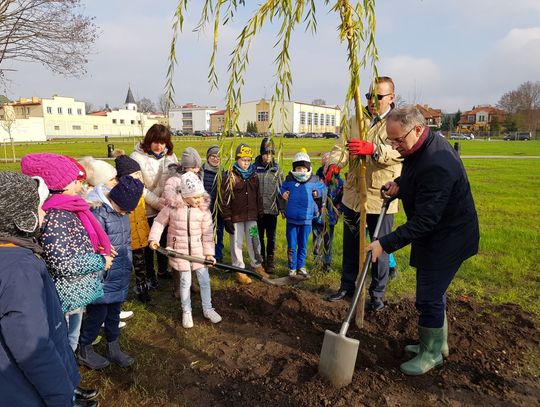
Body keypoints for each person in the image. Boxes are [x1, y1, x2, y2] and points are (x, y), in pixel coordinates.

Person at [367, 105, 479, 375]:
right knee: (434, 293)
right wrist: (400, 186)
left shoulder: (438, 162)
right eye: (391, 141)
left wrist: (384, 243)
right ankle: (438, 345)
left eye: (398, 140)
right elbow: (415, 174)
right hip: (439, 234)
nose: (395, 147)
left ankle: (432, 354)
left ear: (417, 129)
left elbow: (426, 221)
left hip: (448, 238)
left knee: (428, 297)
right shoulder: (423, 145)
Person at [0, 172, 98, 407]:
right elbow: (32, 347)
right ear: (22, 219)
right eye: (38, 207)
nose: (44, 213)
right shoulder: (20, 270)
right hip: (26, 392)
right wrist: (61, 397)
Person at [21, 153, 113, 356]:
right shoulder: (57, 216)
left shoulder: (68, 209)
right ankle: (67, 381)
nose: (80, 186)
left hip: (74, 288)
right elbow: (61, 263)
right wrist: (99, 260)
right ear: (59, 184)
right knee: (64, 339)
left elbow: (76, 242)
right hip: (66, 289)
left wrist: (98, 248)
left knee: (71, 334)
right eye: (75, 182)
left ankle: (70, 372)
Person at [327, 76, 402, 311]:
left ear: (391, 97)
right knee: (350, 245)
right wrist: (335, 163)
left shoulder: (398, 122)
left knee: (378, 249)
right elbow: (342, 147)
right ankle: (347, 286)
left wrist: (374, 150)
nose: (372, 101)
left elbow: (400, 151)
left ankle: (377, 294)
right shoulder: (355, 120)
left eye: (378, 97)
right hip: (353, 196)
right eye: (369, 96)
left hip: (381, 197)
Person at [78, 176, 144, 369]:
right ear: (115, 199)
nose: (125, 213)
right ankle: (85, 347)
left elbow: (125, 241)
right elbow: (90, 241)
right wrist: (101, 250)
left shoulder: (122, 214)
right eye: (124, 209)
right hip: (103, 276)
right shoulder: (99, 212)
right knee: (98, 313)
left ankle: (113, 346)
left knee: (114, 312)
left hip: (120, 271)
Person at [149, 172, 222, 328]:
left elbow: (208, 233)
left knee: (204, 280)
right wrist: (154, 239)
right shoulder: (172, 208)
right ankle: (186, 311)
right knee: (185, 282)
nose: (199, 200)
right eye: (195, 197)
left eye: (201, 196)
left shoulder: (203, 210)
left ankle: (208, 308)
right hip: (179, 251)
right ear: (185, 195)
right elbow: (159, 222)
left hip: (199, 252)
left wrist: (209, 252)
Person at [131, 124, 178, 286]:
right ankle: (150, 275)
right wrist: (157, 202)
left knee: (165, 239)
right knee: (149, 244)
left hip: (166, 206)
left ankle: (163, 270)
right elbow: (138, 187)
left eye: (163, 143)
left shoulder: (171, 157)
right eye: (156, 142)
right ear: (149, 140)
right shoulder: (137, 158)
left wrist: (169, 200)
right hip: (146, 208)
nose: (159, 146)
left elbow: (174, 180)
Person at [221, 143, 267, 284]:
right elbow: (225, 198)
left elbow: (258, 195)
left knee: (254, 239)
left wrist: (260, 211)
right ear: (237, 159)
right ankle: (239, 270)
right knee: (237, 243)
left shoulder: (254, 175)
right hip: (236, 217)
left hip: (251, 216)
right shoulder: (230, 176)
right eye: (243, 160)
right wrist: (227, 218)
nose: (246, 163)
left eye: (248, 160)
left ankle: (256, 265)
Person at [280, 149, 326, 278]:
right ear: (294, 168)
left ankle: (301, 266)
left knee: (303, 245)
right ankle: (292, 267)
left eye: (303, 169)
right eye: (298, 168)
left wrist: (318, 192)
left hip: (306, 219)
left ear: (308, 169)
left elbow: (323, 188)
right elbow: (281, 188)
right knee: (292, 245)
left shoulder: (314, 180)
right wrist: (283, 193)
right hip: (292, 219)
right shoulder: (289, 180)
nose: (301, 171)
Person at [115, 154, 152, 304]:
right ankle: (120, 291)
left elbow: (142, 215)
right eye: (135, 174)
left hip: (140, 234)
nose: (139, 177)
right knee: (123, 266)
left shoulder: (140, 191)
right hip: (127, 237)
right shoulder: (119, 195)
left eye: (139, 174)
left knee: (140, 264)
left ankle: (142, 288)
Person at [254, 137, 285, 274]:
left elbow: (282, 190)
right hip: (257, 211)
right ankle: (260, 260)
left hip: (272, 210)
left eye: (271, 153)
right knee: (257, 236)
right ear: (261, 153)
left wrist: (282, 208)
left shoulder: (277, 170)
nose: (268, 156)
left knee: (271, 236)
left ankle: (270, 260)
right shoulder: (254, 169)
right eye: (265, 153)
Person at [313, 152, 344, 272]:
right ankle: (317, 263)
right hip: (317, 217)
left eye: (329, 164)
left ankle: (327, 263)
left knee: (328, 242)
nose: (327, 166)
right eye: (325, 164)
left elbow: (341, 199)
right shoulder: (316, 179)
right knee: (317, 241)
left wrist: (337, 213)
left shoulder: (338, 182)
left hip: (330, 218)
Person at [202, 145, 225, 262]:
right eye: (213, 156)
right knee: (205, 234)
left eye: (218, 157)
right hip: (205, 210)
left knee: (218, 234)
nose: (215, 159)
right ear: (208, 157)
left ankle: (218, 256)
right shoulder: (202, 172)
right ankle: (204, 255)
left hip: (218, 211)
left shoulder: (223, 173)